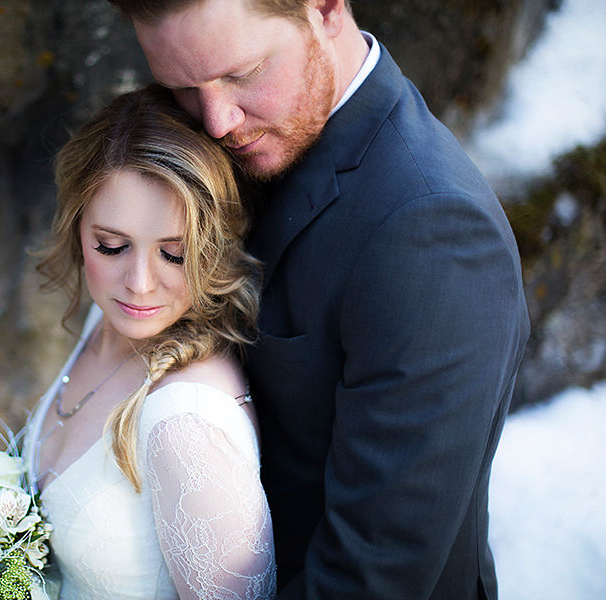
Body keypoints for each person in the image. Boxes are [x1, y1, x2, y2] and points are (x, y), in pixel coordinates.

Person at [105, 0, 531, 598]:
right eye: (182, 88)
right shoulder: (234, 147)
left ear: (327, 8)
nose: (217, 121)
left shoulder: (432, 230)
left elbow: (371, 576)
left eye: (241, 74)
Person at [24, 84, 276, 599]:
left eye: (174, 254)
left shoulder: (187, 421)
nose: (139, 283)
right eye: (112, 246)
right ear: (78, 229)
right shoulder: (108, 321)